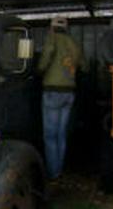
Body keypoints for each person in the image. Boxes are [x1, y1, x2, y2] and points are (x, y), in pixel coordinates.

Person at [38, 17, 88, 180]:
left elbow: (45, 60)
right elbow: (85, 66)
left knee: (50, 136)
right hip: (69, 92)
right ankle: (58, 168)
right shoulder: (74, 44)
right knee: (61, 134)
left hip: (53, 91)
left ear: (52, 27)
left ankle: (53, 173)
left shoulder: (52, 39)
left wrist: (39, 70)